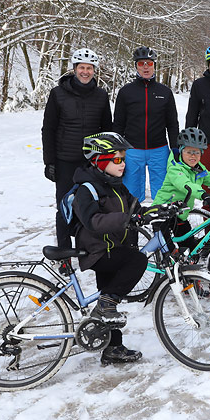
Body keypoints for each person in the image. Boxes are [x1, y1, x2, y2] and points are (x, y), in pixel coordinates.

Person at [72, 132, 148, 365]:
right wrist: (124, 219)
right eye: (117, 160)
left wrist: (155, 211)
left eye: (123, 159)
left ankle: (113, 348)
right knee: (137, 260)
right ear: (99, 160)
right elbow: (93, 221)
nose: (123, 164)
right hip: (96, 250)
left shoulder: (116, 186)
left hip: (112, 247)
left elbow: (134, 207)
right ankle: (106, 305)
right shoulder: (87, 189)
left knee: (109, 296)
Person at [42, 48, 112, 248]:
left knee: (92, 206)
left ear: (94, 70)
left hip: (91, 162)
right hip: (65, 160)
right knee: (64, 206)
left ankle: (89, 249)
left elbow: (107, 129)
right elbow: (48, 129)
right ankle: (64, 252)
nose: (85, 72)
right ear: (74, 69)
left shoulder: (100, 95)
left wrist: (107, 160)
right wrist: (49, 162)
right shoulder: (58, 94)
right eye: (81, 67)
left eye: (89, 68)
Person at [151, 127, 210, 253]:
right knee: (171, 255)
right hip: (162, 214)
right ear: (181, 151)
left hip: (179, 215)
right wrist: (203, 195)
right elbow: (186, 184)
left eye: (197, 152)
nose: (193, 156)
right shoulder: (175, 169)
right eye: (189, 152)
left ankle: (185, 270)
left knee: (191, 250)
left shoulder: (197, 169)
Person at [112, 46, 179, 200]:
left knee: (163, 193)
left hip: (159, 150)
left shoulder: (165, 92)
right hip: (132, 150)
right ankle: (132, 222)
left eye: (149, 63)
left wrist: (175, 147)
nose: (146, 67)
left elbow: (172, 123)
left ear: (154, 65)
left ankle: (162, 223)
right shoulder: (126, 92)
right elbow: (118, 123)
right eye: (141, 64)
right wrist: (117, 149)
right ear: (136, 66)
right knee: (131, 194)